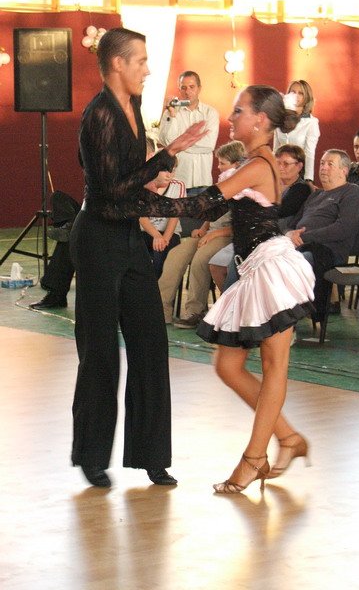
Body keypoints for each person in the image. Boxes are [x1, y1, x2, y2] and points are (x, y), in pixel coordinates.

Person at [111, 85, 316, 494]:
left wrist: (136, 202)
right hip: (254, 269)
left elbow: (200, 204)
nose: (231, 117)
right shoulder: (252, 163)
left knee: (274, 365)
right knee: (228, 366)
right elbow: (215, 207)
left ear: (260, 119)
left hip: (272, 271)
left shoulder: (260, 164)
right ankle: (289, 438)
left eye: (239, 111)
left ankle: (254, 458)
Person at [69, 27, 207, 488]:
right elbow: (111, 192)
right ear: (117, 64)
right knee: (100, 352)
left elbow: (131, 189)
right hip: (97, 239)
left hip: (128, 237)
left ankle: (151, 456)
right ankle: (92, 456)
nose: (148, 70)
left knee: (151, 343)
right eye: (141, 61)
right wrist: (169, 154)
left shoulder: (134, 106)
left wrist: (173, 187)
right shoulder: (99, 113)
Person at [208, 143, 311, 292]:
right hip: (252, 234)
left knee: (236, 265)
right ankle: (233, 301)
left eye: (286, 164)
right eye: (278, 163)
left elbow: (280, 211)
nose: (281, 167)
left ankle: (238, 303)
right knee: (216, 265)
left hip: (276, 238)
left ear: (299, 166)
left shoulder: (301, 189)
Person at [163, 141, 244, 328]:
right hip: (211, 233)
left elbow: (242, 225)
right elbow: (213, 213)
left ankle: (195, 311)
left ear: (236, 164)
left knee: (201, 258)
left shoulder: (244, 188)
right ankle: (161, 308)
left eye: (223, 163)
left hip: (228, 236)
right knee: (176, 254)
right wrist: (203, 228)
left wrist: (213, 235)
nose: (219, 167)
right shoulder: (220, 184)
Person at [286, 149, 359, 320]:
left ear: (344, 171)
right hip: (299, 245)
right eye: (322, 163)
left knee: (288, 264)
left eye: (330, 164)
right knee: (257, 259)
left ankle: (286, 322)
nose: (323, 168)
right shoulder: (316, 195)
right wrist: (290, 234)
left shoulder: (351, 192)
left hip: (328, 251)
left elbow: (343, 228)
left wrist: (304, 238)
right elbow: (293, 224)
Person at [158, 70, 219, 191]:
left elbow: (209, 145)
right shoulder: (170, 112)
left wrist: (179, 144)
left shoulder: (210, 113)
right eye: (183, 87)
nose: (187, 92)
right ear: (179, 89)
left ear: (199, 88)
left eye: (192, 87)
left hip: (203, 180)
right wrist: (172, 115)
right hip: (178, 180)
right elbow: (167, 142)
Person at [29, 191, 80, 310]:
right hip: (91, 213)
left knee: (69, 241)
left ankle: (57, 295)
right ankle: (68, 225)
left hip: (110, 217)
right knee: (58, 196)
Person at [139, 160, 185, 278]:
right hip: (147, 231)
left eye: (172, 171)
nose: (169, 175)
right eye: (165, 171)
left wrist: (164, 239)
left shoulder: (178, 185)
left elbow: (175, 217)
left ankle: (159, 287)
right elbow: (141, 217)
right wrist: (156, 235)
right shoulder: (142, 185)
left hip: (170, 233)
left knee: (161, 252)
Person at [273, 79, 320, 185]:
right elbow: (275, 150)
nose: (296, 96)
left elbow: (309, 153)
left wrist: (308, 179)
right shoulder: (280, 119)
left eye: (300, 93)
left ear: (306, 97)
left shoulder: (311, 123)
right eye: (293, 92)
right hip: (279, 173)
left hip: (298, 174)